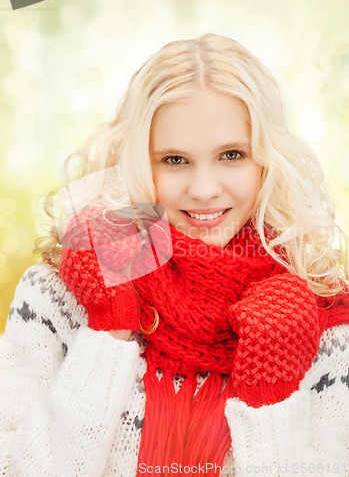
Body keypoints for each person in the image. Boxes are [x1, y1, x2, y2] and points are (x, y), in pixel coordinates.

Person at [1, 33, 349, 477]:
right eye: (174, 160)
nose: (204, 189)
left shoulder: (322, 313)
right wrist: (110, 327)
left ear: (266, 160)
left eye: (231, 154)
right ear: (138, 162)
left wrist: (272, 395)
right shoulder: (57, 293)